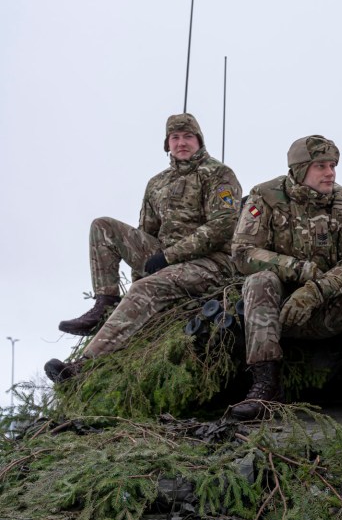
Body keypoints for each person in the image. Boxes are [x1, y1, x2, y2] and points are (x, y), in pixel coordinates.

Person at [46, 113, 242, 382]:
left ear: (199, 140)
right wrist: (145, 274)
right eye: (175, 138)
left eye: (188, 137)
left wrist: (167, 259)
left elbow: (223, 226)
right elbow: (146, 233)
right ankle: (105, 304)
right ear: (167, 144)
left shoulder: (218, 174)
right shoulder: (157, 183)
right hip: (165, 255)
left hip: (210, 262)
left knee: (146, 288)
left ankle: (84, 366)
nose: (181, 143)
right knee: (102, 225)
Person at [229, 135, 342, 422]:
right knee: (259, 281)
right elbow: (242, 252)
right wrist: (298, 269)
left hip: (326, 308)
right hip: (280, 311)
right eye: (321, 166)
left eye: (333, 165)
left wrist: (315, 290)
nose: (330, 173)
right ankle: (266, 386)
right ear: (301, 170)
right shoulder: (264, 196)